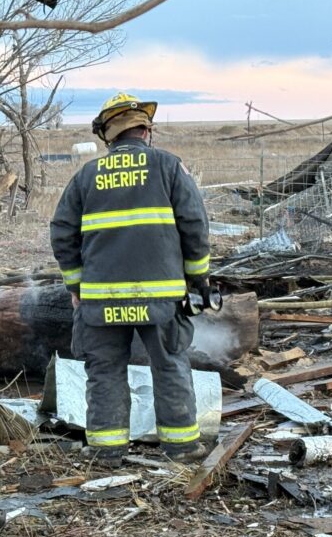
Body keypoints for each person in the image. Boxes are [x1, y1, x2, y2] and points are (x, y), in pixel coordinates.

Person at [50, 93, 212, 468]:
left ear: (109, 136)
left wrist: (75, 287)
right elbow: (195, 225)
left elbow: (61, 233)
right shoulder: (169, 167)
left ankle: (106, 451)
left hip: (100, 301)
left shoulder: (86, 176)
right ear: (145, 130)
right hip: (162, 299)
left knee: (104, 371)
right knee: (169, 365)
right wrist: (197, 277)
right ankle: (182, 448)